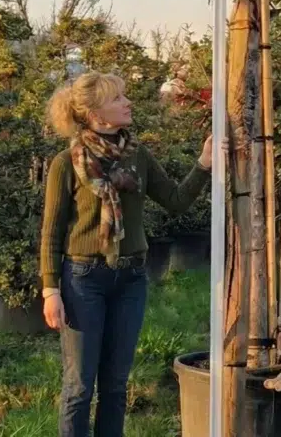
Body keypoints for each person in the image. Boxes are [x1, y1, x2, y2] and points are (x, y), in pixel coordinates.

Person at [40, 71, 213, 437]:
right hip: (83, 279)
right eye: (118, 98)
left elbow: (176, 202)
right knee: (79, 387)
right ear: (95, 112)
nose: (128, 103)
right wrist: (50, 289)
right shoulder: (65, 163)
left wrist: (204, 164)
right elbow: (52, 231)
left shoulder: (138, 156)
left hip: (131, 278)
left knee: (116, 387)